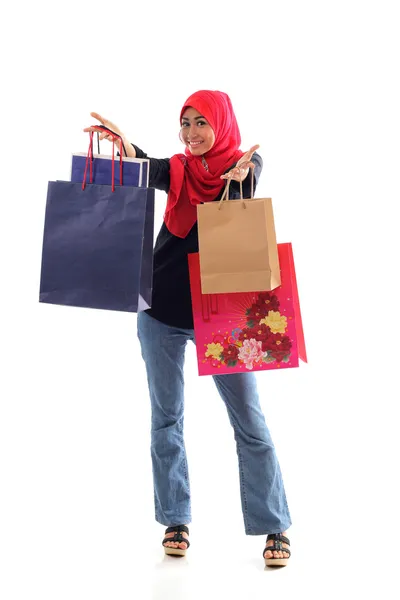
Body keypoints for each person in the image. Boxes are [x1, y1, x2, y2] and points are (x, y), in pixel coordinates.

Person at [84, 90, 292, 567]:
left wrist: (240, 179)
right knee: (166, 421)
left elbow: (251, 176)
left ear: (221, 124)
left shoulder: (246, 163)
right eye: (186, 123)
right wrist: (124, 145)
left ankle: (274, 524)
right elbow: (150, 165)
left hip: (222, 318)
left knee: (250, 422)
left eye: (203, 123)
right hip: (158, 311)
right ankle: (175, 519)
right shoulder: (178, 169)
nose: (193, 133)